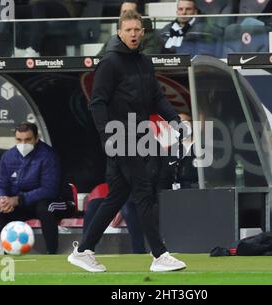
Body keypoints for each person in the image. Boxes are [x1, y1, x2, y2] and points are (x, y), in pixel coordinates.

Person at [67, 10, 188, 272]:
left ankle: (85, 250)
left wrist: (176, 122)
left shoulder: (145, 62)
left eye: (137, 30)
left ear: (143, 33)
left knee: (116, 196)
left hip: (139, 136)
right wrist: (107, 136)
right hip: (120, 137)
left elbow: (157, 98)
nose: (133, 34)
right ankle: (160, 255)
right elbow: (97, 102)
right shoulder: (109, 63)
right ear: (119, 32)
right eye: (128, 30)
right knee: (143, 192)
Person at [0, 122, 74, 254]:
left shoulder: (48, 156)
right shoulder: (8, 156)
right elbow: (0, 185)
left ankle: (52, 254)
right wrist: (2, 199)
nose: (23, 143)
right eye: (19, 140)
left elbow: (49, 190)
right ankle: (7, 250)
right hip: (24, 204)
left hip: (57, 202)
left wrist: (18, 199)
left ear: (36, 138)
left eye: (27, 139)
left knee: (44, 207)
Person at [97, 0, 162, 56]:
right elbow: (97, 61)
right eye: (124, 12)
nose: (126, 16)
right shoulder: (113, 40)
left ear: (138, 15)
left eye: (130, 12)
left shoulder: (152, 39)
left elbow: (144, 62)